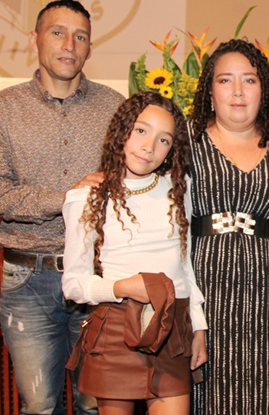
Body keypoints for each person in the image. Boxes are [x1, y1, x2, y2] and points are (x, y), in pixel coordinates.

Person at [0, 0, 125, 414]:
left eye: (80, 37)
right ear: (34, 39)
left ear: (90, 47)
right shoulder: (1, 109)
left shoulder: (115, 109)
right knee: (39, 405)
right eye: (58, 32)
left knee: (98, 404)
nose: (69, 45)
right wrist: (67, 199)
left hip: (98, 278)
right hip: (28, 279)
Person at [61, 92, 208, 414]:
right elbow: (73, 284)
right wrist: (122, 287)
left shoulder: (178, 188)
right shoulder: (86, 196)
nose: (149, 146)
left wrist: (198, 327)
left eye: (164, 140)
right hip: (115, 329)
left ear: (173, 149)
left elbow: (185, 267)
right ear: (122, 130)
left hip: (173, 327)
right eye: (141, 130)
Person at [188, 39, 269, 414]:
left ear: (263, 88)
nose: (237, 91)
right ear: (209, 89)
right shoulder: (185, 141)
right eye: (225, 80)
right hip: (206, 295)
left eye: (249, 80)